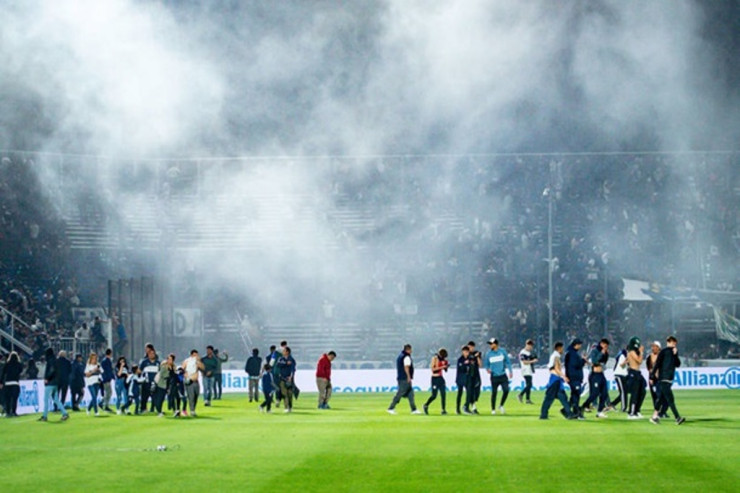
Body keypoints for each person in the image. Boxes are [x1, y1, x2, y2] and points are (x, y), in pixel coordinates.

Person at [650, 336, 686, 425]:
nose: (674, 345)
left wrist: (676, 355)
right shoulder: (663, 352)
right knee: (670, 399)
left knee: (661, 399)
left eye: (675, 343)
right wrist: (652, 376)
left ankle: (654, 417)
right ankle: (677, 418)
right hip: (663, 378)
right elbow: (657, 364)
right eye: (673, 343)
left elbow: (678, 364)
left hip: (669, 379)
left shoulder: (674, 353)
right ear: (668, 342)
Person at [539, 342, 574, 420]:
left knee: (562, 397)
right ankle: (543, 415)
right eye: (562, 348)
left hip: (555, 379)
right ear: (559, 348)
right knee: (549, 398)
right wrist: (564, 376)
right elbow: (556, 369)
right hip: (555, 380)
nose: (563, 350)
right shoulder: (556, 356)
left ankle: (568, 413)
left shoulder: (554, 356)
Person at [387, 344, 422, 415]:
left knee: (410, 394)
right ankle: (391, 408)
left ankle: (413, 409)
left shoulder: (400, 356)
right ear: (408, 349)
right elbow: (406, 367)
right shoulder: (406, 357)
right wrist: (408, 377)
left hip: (401, 377)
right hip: (404, 378)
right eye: (410, 349)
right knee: (400, 393)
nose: (411, 351)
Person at [581, 339, 610, 418]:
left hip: (601, 374)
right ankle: (583, 407)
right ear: (601, 344)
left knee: (604, 393)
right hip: (594, 375)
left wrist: (606, 354)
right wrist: (601, 353)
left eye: (607, 346)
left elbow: (604, 363)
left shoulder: (605, 352)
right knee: (594, 394)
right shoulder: (595, 351)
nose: (606, 347)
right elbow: (594, 361)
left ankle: (600, 411)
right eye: (605, 345)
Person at [39, 347, 70, 422]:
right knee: (56, 399)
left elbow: (51, 370)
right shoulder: (56, 360)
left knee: (46, 399)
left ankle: (45, 416)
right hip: (56, 382)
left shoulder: (50, 361)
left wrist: (47, 378)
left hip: (50, 382)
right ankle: (65, 413)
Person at [484, 338, 513, 415]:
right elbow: (486, 364)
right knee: (494, 393)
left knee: (506, 390)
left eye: (491, 344)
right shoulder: (488, 354)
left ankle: (501, 405)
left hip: (503, 375)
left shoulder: (502, 351)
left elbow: (508, 362)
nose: (490, 345)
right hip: (494, 376)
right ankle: (493, 409)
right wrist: (487, 369)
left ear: (495, 344)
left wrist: (510, 371)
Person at [564, 339, 586, 419]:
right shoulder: (572, 354)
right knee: (576, 394)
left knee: (574, 394)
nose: (580, 346)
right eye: (580, 345)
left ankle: (568, 410)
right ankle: (576, 412)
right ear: (576, 345)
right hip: (574, 377)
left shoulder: (570, 353)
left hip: (573, 377)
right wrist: (583, 360)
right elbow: (575, 365)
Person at [423, 348, 449, 415]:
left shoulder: (443, 360)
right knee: (434, 395)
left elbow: (445, 370)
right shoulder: (435, 358)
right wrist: (442, 367)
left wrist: (446, 366)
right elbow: (433, 370)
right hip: (435, 378)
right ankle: (426, 405)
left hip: (440, 378)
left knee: (443, 394)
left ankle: (443, 409)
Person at [626, 337, 647, 419]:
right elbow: (639, 361)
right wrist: (641, 352)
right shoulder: (631, 352)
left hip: (638, 373)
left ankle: (637, 410)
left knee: (642, 392)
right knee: (635, 393)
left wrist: (640, 352)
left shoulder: (634, 352)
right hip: (633, 373)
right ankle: (631, 413)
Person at [182, 349, 204, 417]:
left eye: (196, 355)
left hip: (196, 381)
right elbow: (182, 370)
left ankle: (193, 408)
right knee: (191, 396)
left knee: (196, 395)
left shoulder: (197, 362)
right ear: (191, 355)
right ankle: (192, 410)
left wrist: (198, 361)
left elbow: (203, 368)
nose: (195, 356)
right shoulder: (186, 361)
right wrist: (185, 375)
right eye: (194, 355)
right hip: (189, 381)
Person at [139, 344, 160, 413]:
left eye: (153, 354)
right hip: (146, 382)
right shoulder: (144, 362)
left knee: (155, 397)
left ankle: (154, 409)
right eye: (150, 354)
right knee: (144, 397)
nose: (152, 355)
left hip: (155, 383)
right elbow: (139, 371)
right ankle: (143, 409)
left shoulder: (158, 363)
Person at [1, 352, 23, 417]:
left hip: (7, 383)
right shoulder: (18, 364)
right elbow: (20, 371)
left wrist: (1, 382)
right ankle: (14, 412)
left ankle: (8, 412)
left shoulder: (7, 364)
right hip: (15, 383)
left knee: (8, 399)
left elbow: (3, 373)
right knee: (14, 399)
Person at [277, 346, 297, 413]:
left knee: (290, 394)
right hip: (282, 378)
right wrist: (286, 363)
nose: (283, 352)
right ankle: (286, 407)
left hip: (289, 379)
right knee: (284, 393)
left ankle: (290, 407)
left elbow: (293, 369)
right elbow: (278, 365)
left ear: (287, 352)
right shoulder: (281, 359)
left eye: (284, 351)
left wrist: (291, 376)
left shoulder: (292, 359)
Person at [517, 339, 537, 404]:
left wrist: (534, 359)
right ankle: (521, 394)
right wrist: (532, 361)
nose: (531, 347)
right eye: (530, 346)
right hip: (525, 369)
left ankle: (527, 399)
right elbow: (524, 362)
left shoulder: (529, 353)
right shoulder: (522, 352)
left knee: (529, 384)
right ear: (527, 345)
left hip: (529, 370)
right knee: (529, 384)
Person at [465, 341, 482, 414]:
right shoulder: (467, 354)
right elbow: (466, 361)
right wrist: (474, 356)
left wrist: (477, 357)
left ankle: (471, 405)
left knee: (477, 391)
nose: (470, 348)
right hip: (469, 375)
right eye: (469, 347)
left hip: (476, 375)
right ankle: (471, 407)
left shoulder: (477, 353)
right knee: (470, 392)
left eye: (471, 347)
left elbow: (480, 364)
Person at [611, 345, 629, 412]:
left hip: (623, 375)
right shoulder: (623, 355)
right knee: (623, 392)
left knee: (624, 392)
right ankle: (624, 408)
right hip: (619, 375)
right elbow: (621, 364)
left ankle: (613, 404)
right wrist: (627, 360)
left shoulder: (623, 354)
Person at [645, 341, 662, 412]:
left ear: (659, 348)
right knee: (654, 395)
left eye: (655, 346)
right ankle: (657, 410)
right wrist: (651, 376)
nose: (653, 348)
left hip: (660, 378)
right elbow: (648, 368)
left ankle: (661, 410)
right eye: (652, 346)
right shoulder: (649, 357)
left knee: (660, 395)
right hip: (652, 378)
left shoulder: (662, 356)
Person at [455, 346, 471, 415]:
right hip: (460, 379)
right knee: (460, 394)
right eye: (464, 351)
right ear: (462, 352)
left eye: (467, 352)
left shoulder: (470, 359)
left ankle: (466, 407)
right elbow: (460, 368)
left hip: (467, 378)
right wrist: (465, 363)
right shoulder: (460, 359)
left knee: (469, 393)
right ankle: (457, 409)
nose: (466, 353)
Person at [100, 348, 115, 413]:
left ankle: (103, 403)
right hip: (106, 379)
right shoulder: (106, 361)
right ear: (110, 353)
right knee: (109, 392)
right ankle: (105, 405)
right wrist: (110, 377)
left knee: (108, 392)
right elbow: (108, 370)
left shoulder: (105, 360)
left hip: (106, 379)